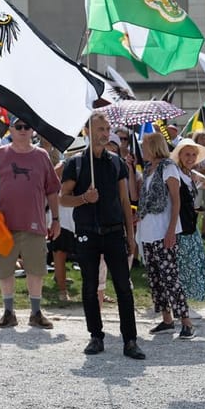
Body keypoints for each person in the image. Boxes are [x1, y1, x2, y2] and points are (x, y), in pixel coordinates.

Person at [61, 112, 143, 359]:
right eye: (100, 129)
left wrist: (131, 236)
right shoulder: (75, 163)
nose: (105, 133)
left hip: (114, 232)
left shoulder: (116, 162)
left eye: (107, 128)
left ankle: (130, 340)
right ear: (88, 131)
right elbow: (62, 199)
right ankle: (95, 336)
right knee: (89, 286)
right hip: (87, 233)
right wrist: (84, 198)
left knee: (123, 287)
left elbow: (124, 199)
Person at [0, 119, 60, 330]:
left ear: (33, 130)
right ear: (11, 130)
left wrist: (56, 219)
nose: (23, 130)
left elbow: (52, 189)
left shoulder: (41, 156)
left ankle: (36, 312)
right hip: (4, 224)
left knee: (36, 269)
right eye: (19, 126)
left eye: (27, 126)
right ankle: (8, 312)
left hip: (35, 223)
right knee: (4, 269)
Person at [135, 134, 195, 339]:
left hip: (163, 230)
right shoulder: (148, 169)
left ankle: (186, 322)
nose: (142, 150)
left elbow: (175, 201)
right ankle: (167, 319)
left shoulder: (168, 167)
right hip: (148, 231)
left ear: (153, 147)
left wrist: (171, 230)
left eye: (144, 146)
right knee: (156, 278)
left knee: (171, 277)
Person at [171, 138, 205, 305]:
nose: (191, 158)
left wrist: (201, 179)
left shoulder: (190, 174)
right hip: (178, 226)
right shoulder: (175, 173)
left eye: (194, 155)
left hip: (190, 225)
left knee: (194, 264)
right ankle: (180, 304)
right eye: (187, 154)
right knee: (181, 265)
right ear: (179, 155)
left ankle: (184, 303)